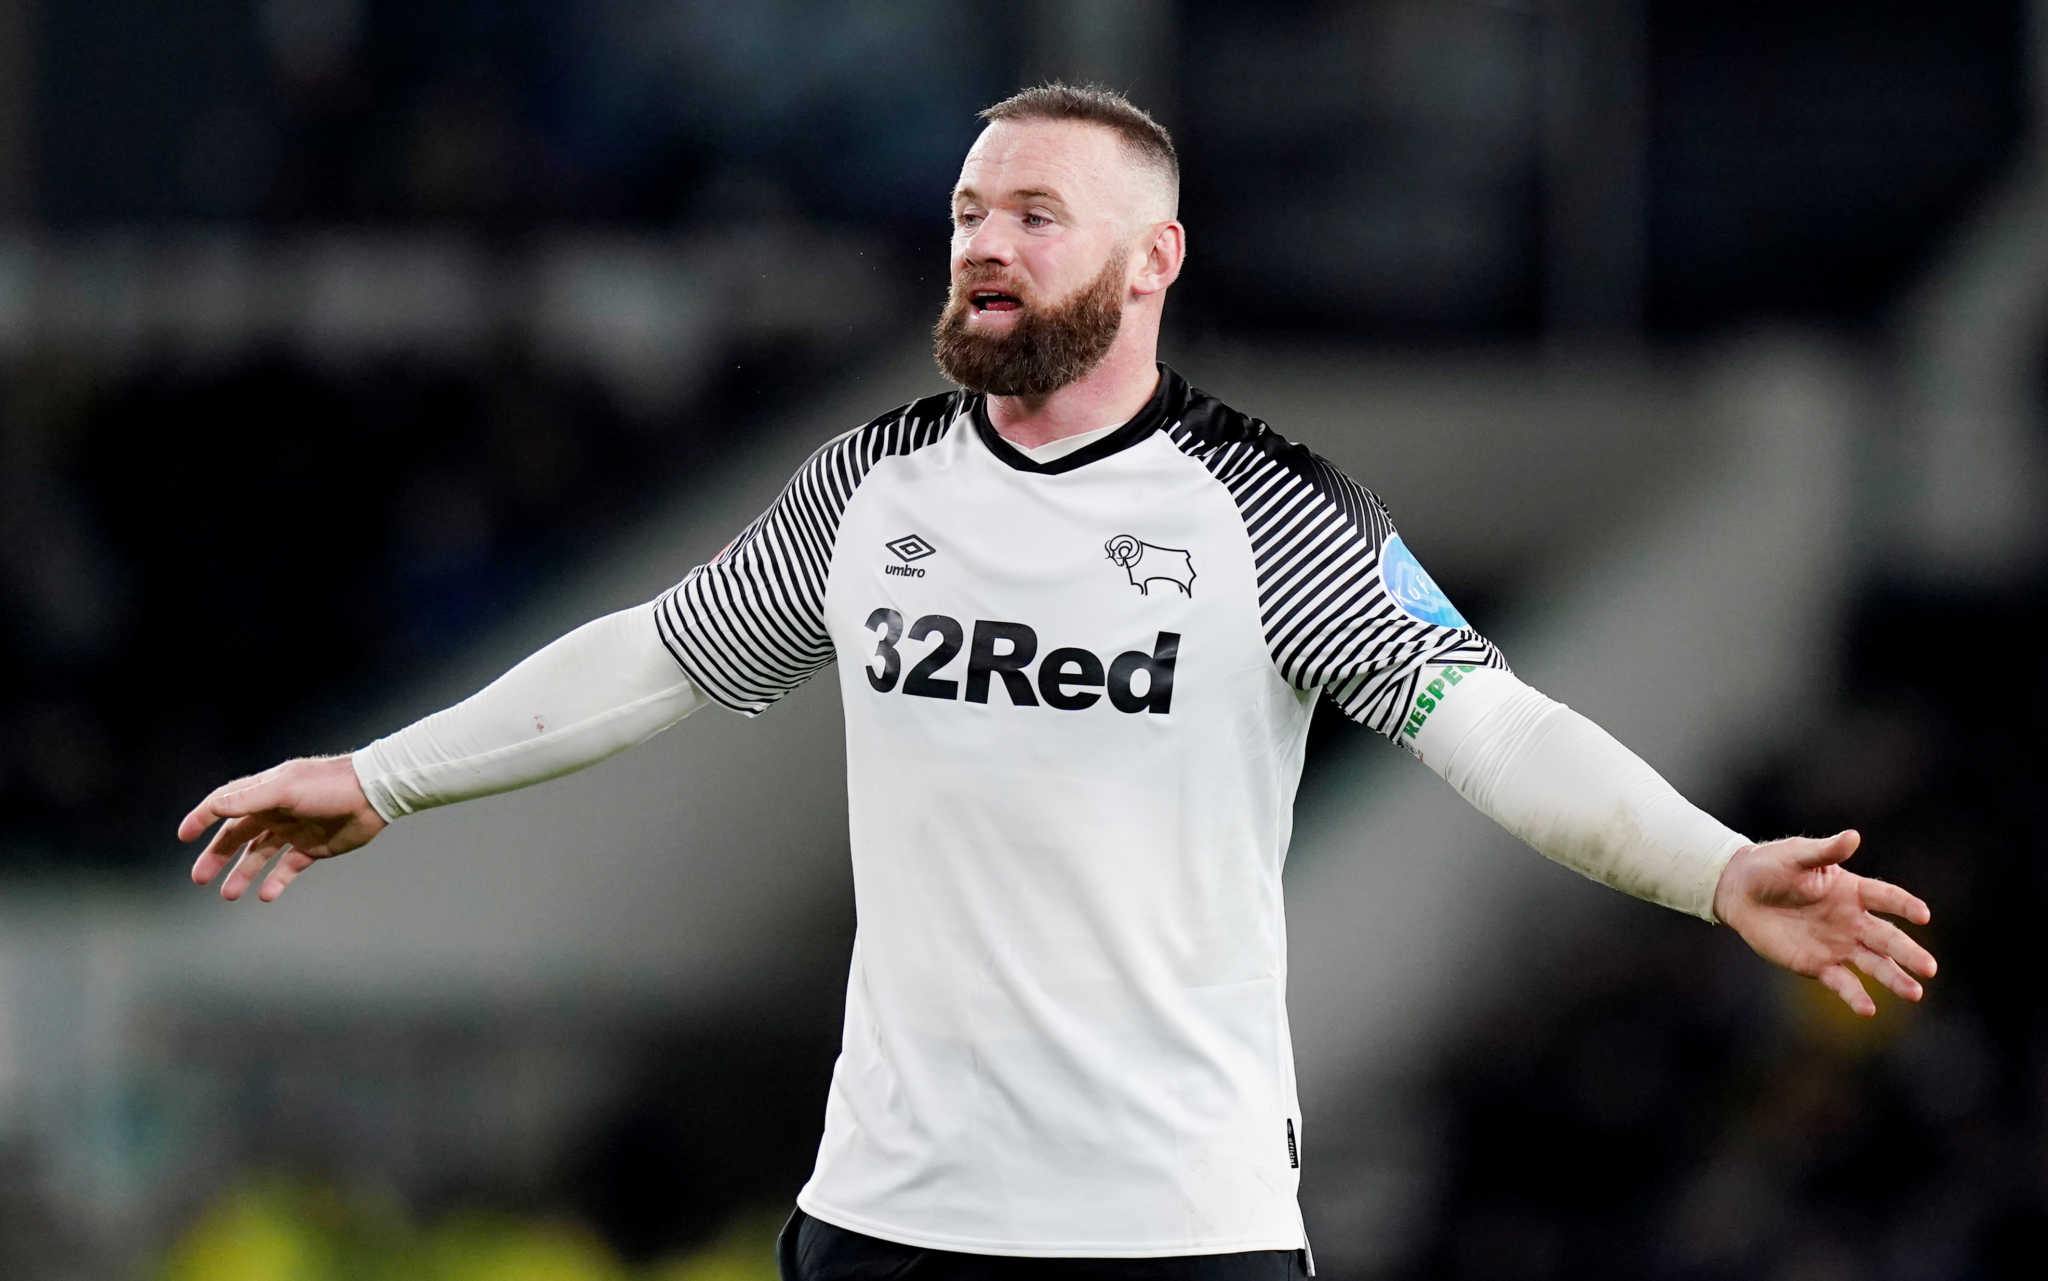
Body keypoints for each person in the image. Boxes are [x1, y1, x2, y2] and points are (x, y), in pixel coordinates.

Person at [178, 84, 1937, 1281]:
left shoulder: (1270, 511)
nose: (986, 242)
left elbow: (1491, 723)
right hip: (887, 1222)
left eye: (1035, 210)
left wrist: (1710, 865)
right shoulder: (875, 489)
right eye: (966, 211)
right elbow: (657, 653)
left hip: (1175, 1233)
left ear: (1153, 258)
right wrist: (389, 777)